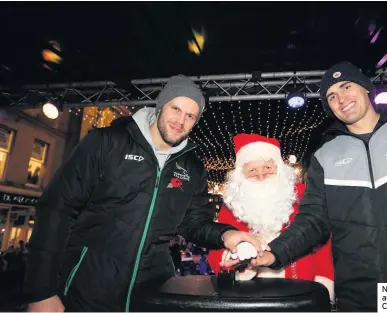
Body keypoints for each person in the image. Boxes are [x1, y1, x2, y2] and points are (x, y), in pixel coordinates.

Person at [229, 62, 387, 311]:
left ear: (366, 88)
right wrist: (274, 254)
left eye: (347, 87)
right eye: (331, 96)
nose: (341, 99)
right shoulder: (325, 155)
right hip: (360, 296)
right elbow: (313, 220)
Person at [24, 75, 264, 312]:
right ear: (160, 106)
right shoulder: (106, 143)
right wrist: (41, 290)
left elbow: (194, 224)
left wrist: (227, 235)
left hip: (152, 292)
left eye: (190, 116)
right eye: (176, 109)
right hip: (88, 287)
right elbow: (57, 210)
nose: (180, 120)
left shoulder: (192, 168)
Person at [208, 133, 335, 302]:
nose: (261, 176)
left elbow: (322, 242)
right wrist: (236, 258)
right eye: (252, 170)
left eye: (267, 168)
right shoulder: (233, 205)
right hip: (250, 294)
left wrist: (324, 282)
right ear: (241, 175)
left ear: (279, 168)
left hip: (302, 289)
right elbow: (216, 251)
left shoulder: (302, 196)